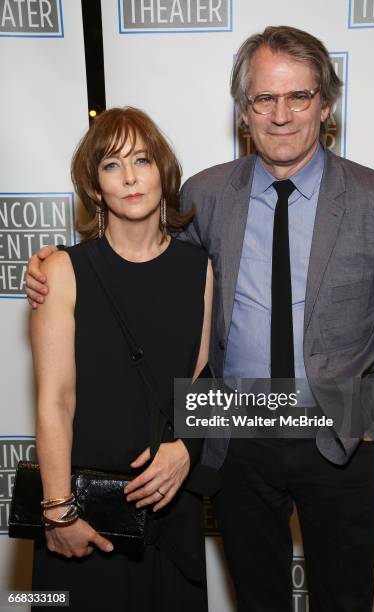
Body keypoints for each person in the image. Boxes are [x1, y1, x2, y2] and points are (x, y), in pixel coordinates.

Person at [26, 26, 374, 612]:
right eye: (265, 98)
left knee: (345, 601)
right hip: (235, 437)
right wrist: (52, 265)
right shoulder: (208, 195)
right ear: (244, 111)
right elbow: (141, 257)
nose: (281, 115)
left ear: (326, 103)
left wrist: (370, 416)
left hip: (339, 438)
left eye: (299, 97)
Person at [29, 106, 212, 612]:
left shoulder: (199, 267)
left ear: (164, 173)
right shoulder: (63, 270)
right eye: (111, 165)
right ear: (95, 187)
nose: (129, 177)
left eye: (142, 160)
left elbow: (200, 380)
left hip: (171, 512)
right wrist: (58, 512)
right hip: (86, 513)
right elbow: (55, 401)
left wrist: (185, 449)